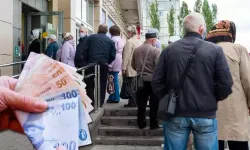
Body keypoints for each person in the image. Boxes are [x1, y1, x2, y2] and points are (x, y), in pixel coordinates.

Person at [152, 12, 233, 150]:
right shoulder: (215, 50)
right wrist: (213, 98)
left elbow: (157, 81)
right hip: (205, 113)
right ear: (201, 29)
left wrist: (168, 97)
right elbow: (225, 84)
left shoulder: (169, 50)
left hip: (175, 112)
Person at [206, 20, 250, 150]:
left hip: (210, 107)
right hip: (235, 108)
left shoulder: (204, 49)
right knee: (238, 142)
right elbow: (247, 80)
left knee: (214, 142)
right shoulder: (238, 49)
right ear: (232, 33)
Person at [81, 24, 116, 106]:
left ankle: (91, 100)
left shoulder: (91, 38)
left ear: (98, 29)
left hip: (91, 63)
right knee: (102, 83)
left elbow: (84, 50)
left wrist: (87, 61)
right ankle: (100, 103)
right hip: (104, 64)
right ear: (106, 31)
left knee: (89, 82)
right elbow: (113, 55)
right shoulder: (110, 41)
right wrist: (107, 61)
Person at [131, 32, 161, 129]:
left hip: (140, 79)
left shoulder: (137, 50)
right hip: (152, 80)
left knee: (141, 102)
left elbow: (133, 65)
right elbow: (157, 66)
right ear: (153, 40)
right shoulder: (155, 50)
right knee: (154, 102)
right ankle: (153, 123)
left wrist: (140, 71)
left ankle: (141, 123)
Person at [122, 25, 141, 107]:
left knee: (130, 86)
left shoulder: (129, 42)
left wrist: (123, 68)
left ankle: (132, 102)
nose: (127, 34)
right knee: (135, 86)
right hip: (137, 67)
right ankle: (135, 101)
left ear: (130, 32)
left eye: (127, 32)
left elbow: (126, 56)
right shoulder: (138, 41)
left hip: (130, 67)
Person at [106, 25, 125, 103]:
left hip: (113, 61)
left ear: (111, 32)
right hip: (119, 59)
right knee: (115, 79)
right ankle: (113, 96)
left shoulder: (113, 40)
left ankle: (115, 97)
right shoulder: (121, 39)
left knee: (112, 80)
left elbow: (112, 53)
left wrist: (110, 65)